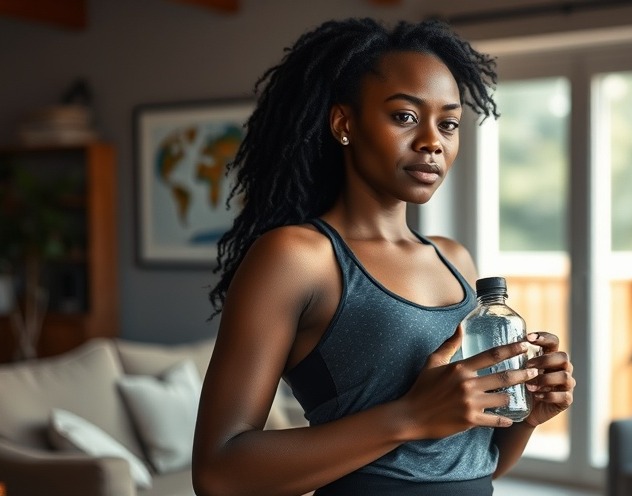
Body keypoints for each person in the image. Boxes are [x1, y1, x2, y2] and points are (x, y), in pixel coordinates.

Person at [192, 17, 576, 496]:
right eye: (405, 117)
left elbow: (478, 463)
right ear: (344, 124)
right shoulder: (296, 257)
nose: (432, 142)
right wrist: (411, 416)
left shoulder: (455, 260)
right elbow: (218, 473)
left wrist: (527, 418)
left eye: (449, 123)